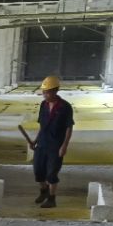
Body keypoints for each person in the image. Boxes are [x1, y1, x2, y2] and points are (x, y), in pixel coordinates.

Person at [26, 76, 74, 208]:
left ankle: (52, 199)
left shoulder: (65, 107)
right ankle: (44, 192)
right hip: (42, 144)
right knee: (38, 171)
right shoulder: (43, 105)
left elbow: (69, 127)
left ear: (55, 91)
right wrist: (35, 141)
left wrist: (64, 146)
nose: (44, 95)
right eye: (43, 92)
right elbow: (42, 127)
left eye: (47, 92)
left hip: (56, 146)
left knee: (52, 173)